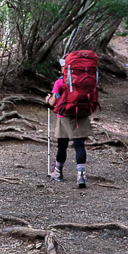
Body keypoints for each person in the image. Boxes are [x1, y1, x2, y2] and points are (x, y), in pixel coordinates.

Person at [45, 60, 92, 189]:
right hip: (81, 115)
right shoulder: (84, 80)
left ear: (63, 68)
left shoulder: (60, 82)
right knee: (79, 145)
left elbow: (53, 103)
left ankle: (58, 173)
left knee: (62, 146)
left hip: (64, 116)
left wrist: (47, 99)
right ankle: (81, 176)